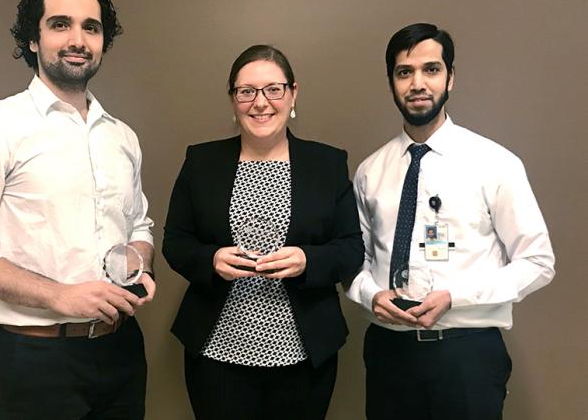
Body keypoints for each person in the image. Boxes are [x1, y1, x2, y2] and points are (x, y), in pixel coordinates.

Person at [0, 0, 155, 419]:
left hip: (122, 349)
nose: (78, 39)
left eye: (92, 27)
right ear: (32, 38)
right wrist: (59, 296)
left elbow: (138, 221)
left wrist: (136, 266)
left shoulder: (122, 137)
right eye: (60, 24)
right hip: (35, 359)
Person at [347, 23, 555, 419]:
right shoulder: (371, 171)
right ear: (391, 82)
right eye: (404, 72)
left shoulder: (495, 163)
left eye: (431, 69)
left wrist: (455, 297)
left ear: (451, 78)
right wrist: (370, 295)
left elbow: (538, 262)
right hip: (390, 354)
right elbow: (355, 261)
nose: (418, 83)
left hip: (467, 355)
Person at [163, 44, 364, 420]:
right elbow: (176, 242)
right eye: (247, 91)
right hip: (217, 354)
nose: (261, 103)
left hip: (304, 356)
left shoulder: (327, 163)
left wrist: (308, 260)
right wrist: (211, 259)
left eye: (274, 89)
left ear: (292, 94)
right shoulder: (201, 161)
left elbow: (351, 247)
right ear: (233, 99)